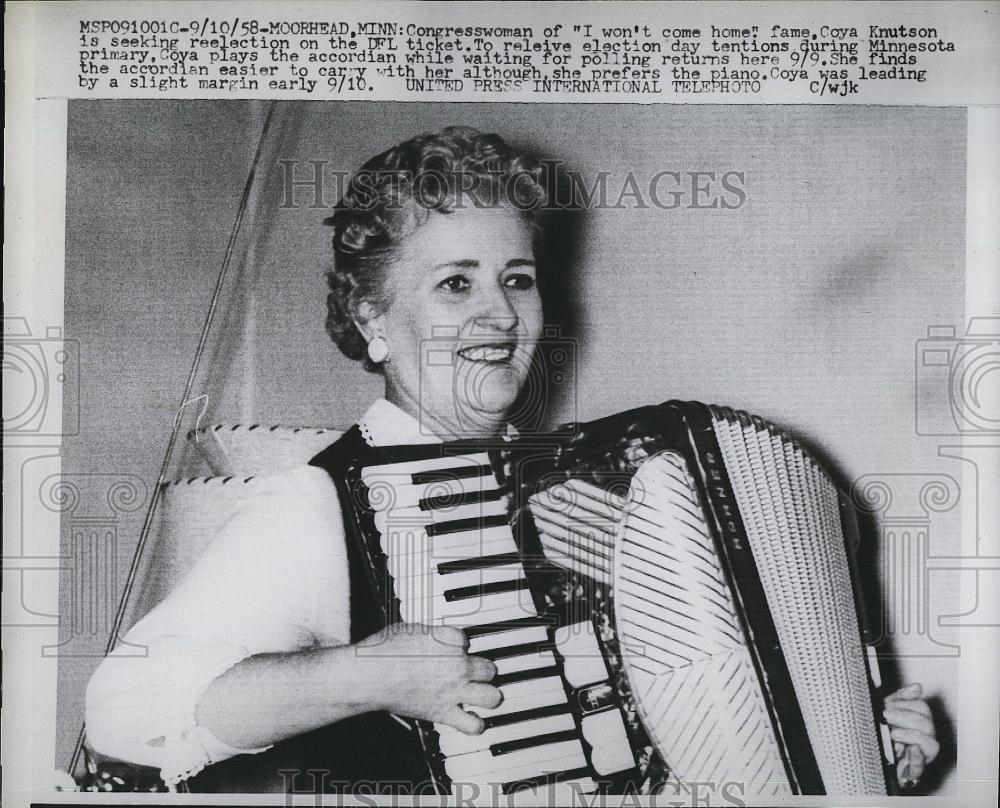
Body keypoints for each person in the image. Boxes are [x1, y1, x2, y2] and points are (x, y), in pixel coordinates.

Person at [85, 126, 939, 792]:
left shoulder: (589, 488)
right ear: (373, 320)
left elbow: (673, 724)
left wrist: (852, 747)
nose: (499, 313)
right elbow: (120, 718)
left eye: (517, 278)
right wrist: (362, 674)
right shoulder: (315, 507)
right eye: (455, 283)